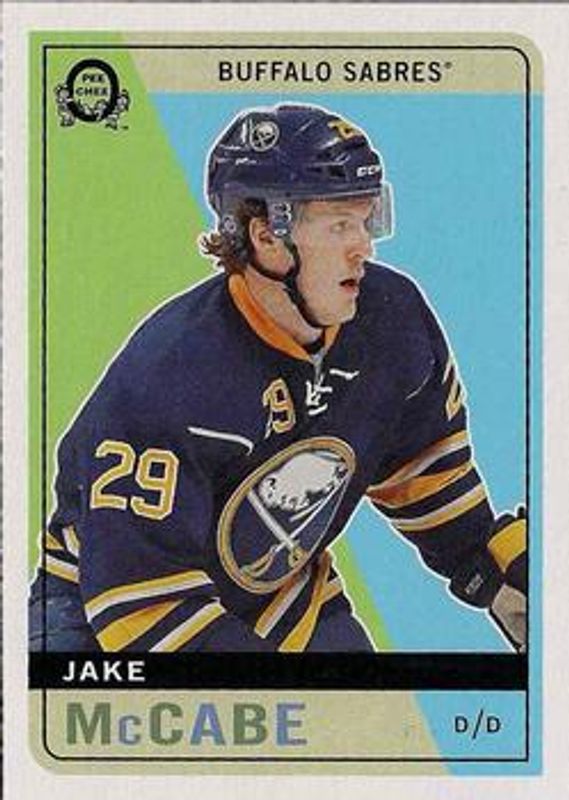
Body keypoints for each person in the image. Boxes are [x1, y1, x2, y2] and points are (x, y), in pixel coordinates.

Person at [29, 103, 527, 653]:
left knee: (364, 707)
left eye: (367, 219)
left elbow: (422, 465)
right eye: (339, 225)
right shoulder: (167, 376)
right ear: (267, 237)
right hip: (101, 610)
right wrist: (270, 694)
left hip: (280, 597)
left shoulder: (391, 318)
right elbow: (140, 601)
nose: (364, 246)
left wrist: (487, 564)